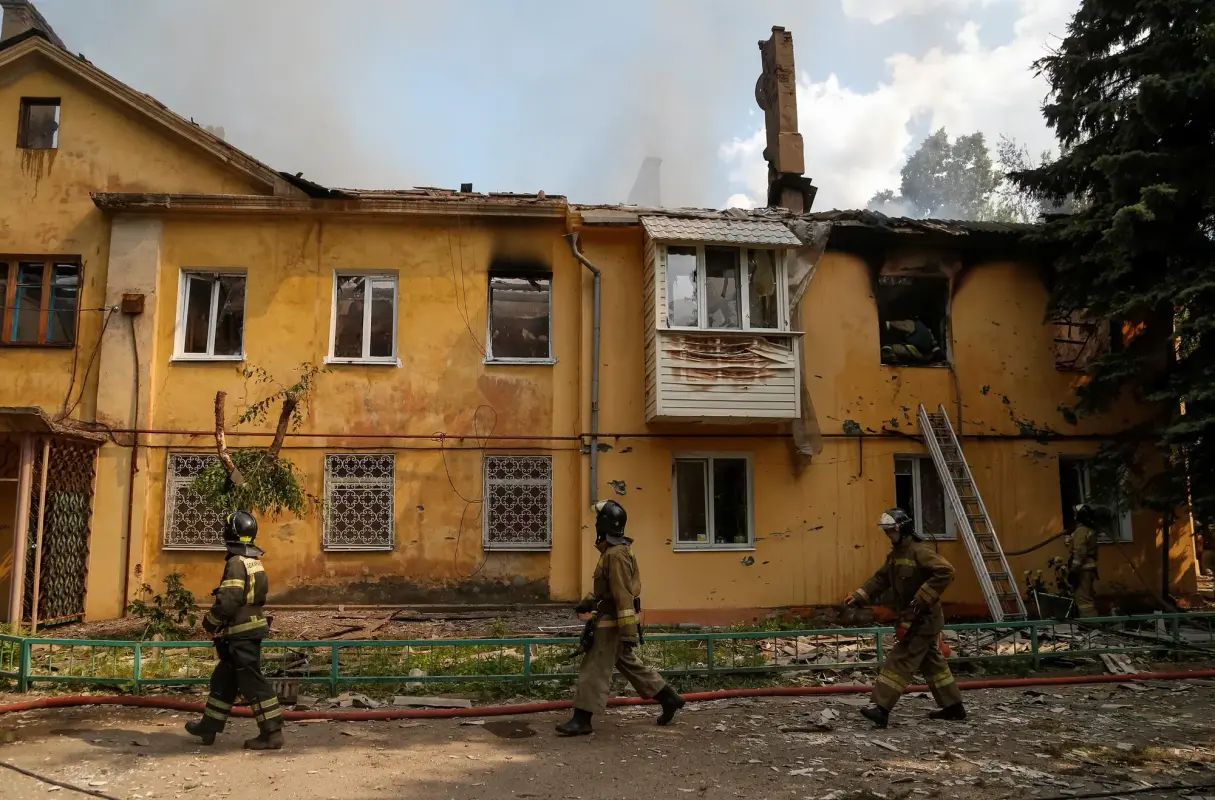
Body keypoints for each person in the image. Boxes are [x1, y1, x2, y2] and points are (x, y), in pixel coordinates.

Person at [556, 500, 685, 736]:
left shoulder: (615, 555)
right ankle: (668, 697)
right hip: (610, 619)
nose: (595, 523)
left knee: (594, 668)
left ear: (604, 524)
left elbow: (623, 594)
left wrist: (628, 633)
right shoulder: (615, 552)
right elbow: (609, 588)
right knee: (628, 664)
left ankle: (582, 719)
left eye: (598, 520)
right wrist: (590, 600)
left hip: (611, 623)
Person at [844, 508, 964, 728]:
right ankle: (953, 707)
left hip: (923, 619)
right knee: (933, 664)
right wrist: (860, 596)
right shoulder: (897, 556)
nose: (888, 535)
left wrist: (922, 598)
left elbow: (946, 571)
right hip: (915, 618)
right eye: (886, 531)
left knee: (899, 662)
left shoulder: (919, 551)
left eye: (891, 531)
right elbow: (881, 579)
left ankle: (881, 708)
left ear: (903, 529)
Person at [185, 511, 284, 750]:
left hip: (241, 632)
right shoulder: (254, 561)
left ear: (229, 533)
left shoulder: (236, 563)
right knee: (224, 679)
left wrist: (210, 620)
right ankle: (209, 726)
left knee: (252, 683)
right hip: (246, 629)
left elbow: (229, 600)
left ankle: (272, 733)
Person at [1066, 503, 1101, 618]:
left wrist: (1074, 569)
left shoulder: (1081, 530)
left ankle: (1091, 624)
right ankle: (1089, 623)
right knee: (1087, 596)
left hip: (1082, 569)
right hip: (1088, 569)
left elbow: (1080, 551)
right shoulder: (1088, 529)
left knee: (1083, 598)